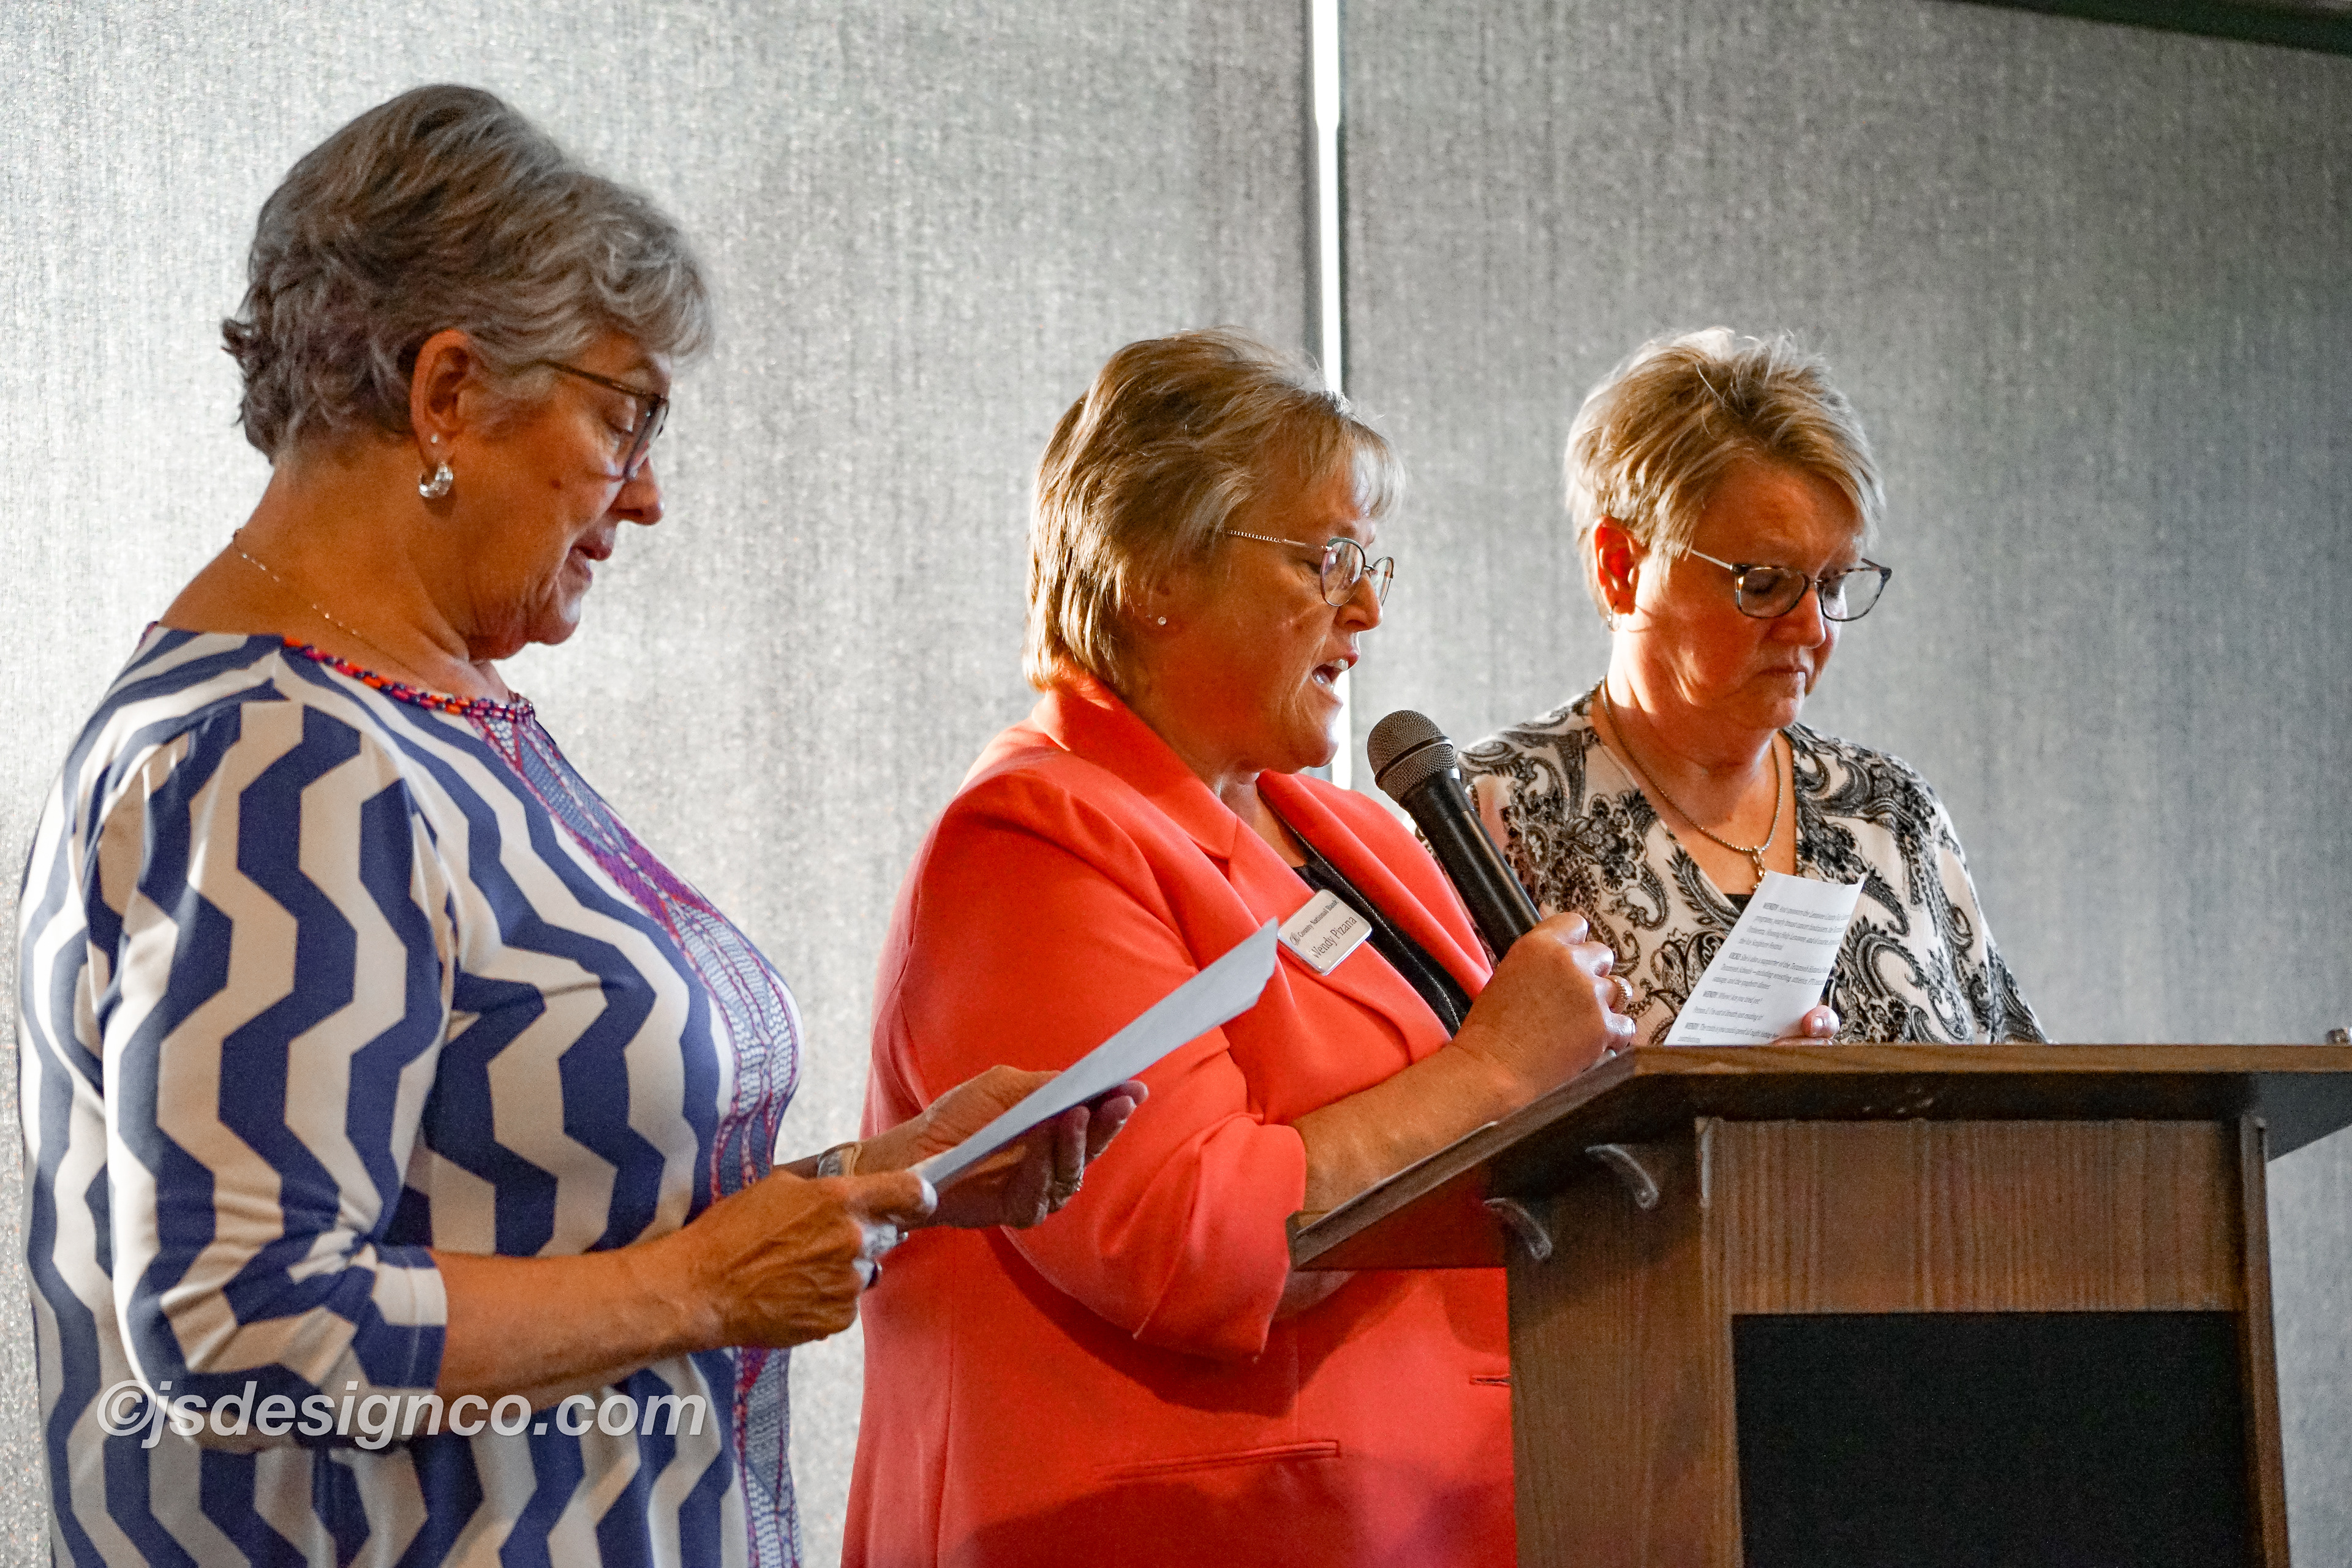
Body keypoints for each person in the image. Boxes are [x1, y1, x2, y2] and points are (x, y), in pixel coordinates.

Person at [15, 85, 1137, 1568]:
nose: (649, 492)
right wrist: (700, 1288)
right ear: (449, 392)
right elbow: (244, 1324)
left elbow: (535, 1218)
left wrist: (877, 1183)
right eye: (625, 416)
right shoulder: (275, 753)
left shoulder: (416, 709)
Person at [842, 329, 1632, 1567]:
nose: (1366, 609)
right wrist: (1493, 1070)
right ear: (1157, 565)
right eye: (1325, 560)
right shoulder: (1034, 838)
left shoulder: (1342, 826)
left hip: (1444, 1514)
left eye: (1368, 562)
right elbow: (1187, 1237)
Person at [1461, 328, 2043, 1046]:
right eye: (1764, 583)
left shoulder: (1892, 816)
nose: (1812, 626)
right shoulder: (1486, 815)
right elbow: (1454, 1102)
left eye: (1833, 583)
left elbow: (2024, 1091)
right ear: (1621, 567)